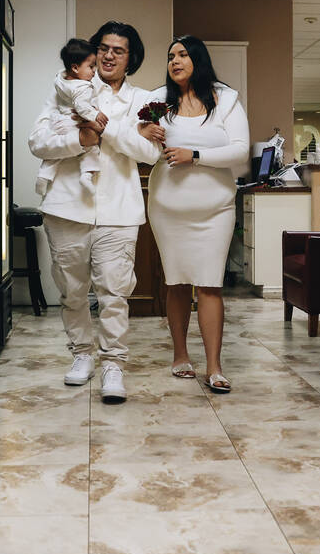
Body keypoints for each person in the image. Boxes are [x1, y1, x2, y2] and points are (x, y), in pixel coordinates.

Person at [28, 22, 162, 402]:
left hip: (119, 211)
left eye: (118, 50)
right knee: (71, 292)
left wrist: (105, 130)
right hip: (66, 207)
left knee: (114, 294)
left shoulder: (143, 100)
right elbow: (38, 141)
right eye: (102, 48)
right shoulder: (67, 88)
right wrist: (81, 138)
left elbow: (150, 152)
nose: (107, 56)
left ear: (130, 58)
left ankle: (113, 364)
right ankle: (82, 355)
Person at [139, 36, 250, 393]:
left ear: (198, 59)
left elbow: (240, 151)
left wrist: (195, 155)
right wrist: (145, 134)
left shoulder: (225, 99)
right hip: (168, 209)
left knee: (210, 283)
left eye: (183, 54)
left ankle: (215, 366)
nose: (175, 61)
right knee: (176, 281)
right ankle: (180, 355)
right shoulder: (157, 101)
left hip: (215, 210)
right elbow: (142, 152)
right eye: (170, 55)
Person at [34, 38, 110, 201]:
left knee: (54, 156)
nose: (94, 71)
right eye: (91, 66)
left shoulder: (61, 80)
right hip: (74, 124)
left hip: (58, 122)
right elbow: (82, 107)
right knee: (91, 150)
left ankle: (44, 176)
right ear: (75, 67)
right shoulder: (83, 87)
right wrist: (95, 115)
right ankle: (86, 175)